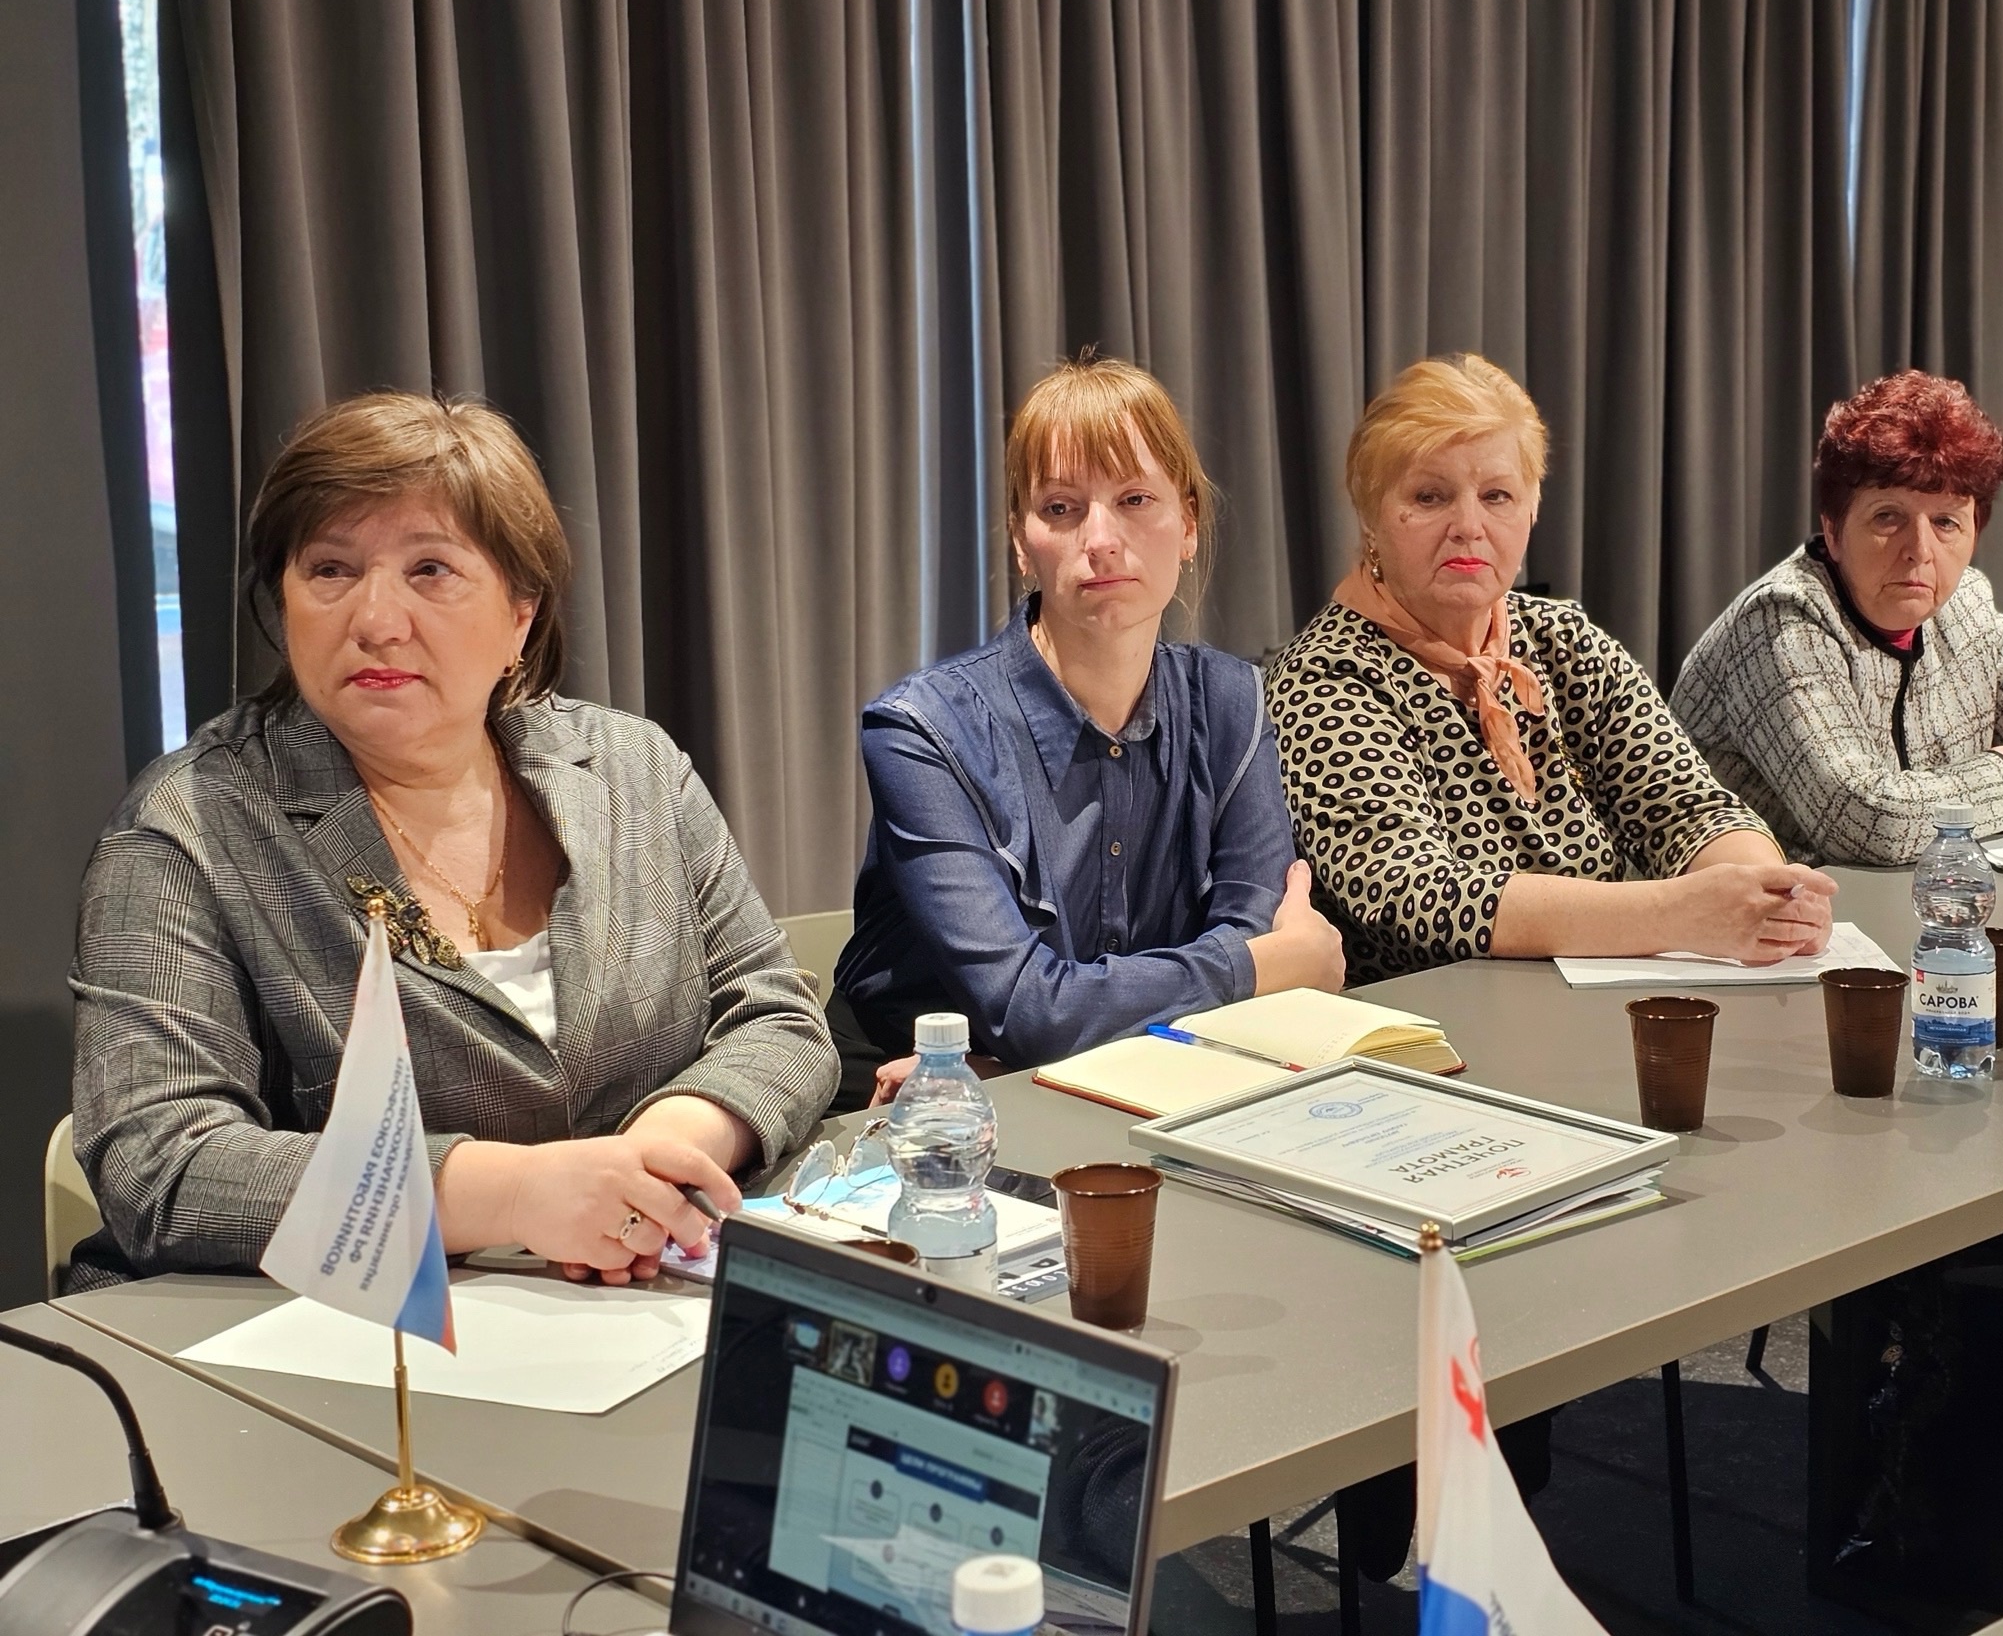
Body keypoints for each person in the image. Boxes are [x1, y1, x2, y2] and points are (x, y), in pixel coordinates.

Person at [71, 394, 837, 1290]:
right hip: (307, 1330)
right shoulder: (187, 826)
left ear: (521, 613)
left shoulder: (633, 770)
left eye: (430, 569)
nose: (376, 619)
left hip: (626, 1296)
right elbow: (162, 1164)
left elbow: (777, 1016)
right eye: (330, 569)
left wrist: (662, 1154)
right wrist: (513, 1193)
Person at [834, 356, 1342, 1083]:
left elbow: (1251, 951)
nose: (1100, 538)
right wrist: (1260, 965)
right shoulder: (921, 731)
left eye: (1134, 499)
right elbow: (1028, 1010)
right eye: (1061, 509)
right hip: (922, 1105)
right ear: (1021, 541)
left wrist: (1049, 1039)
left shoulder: (1234, 701)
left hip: (1147, 1078)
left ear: (1188, 523)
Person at [1265, 353, 1837, 987]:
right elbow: (1416, 896)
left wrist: (1768, 894)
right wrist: (1676, 913)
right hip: (1430, 1019)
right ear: (1370, 517)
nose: (1468, 526)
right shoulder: (1323, 676)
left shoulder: (1563, 639)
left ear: (1533, 508)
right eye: (1429, 497)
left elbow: (1686, 808)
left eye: (1497, 496)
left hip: (1587, 1008)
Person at [1671, 370, 2003, 865]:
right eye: (1888, 517)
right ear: (1833, 531)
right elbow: (1870, 826)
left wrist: (1944, 821)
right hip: (1772, 907)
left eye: (1946, 522)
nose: (1919, 550)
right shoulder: (1781, 620)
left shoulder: (1966, 606)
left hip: (1926, 897)